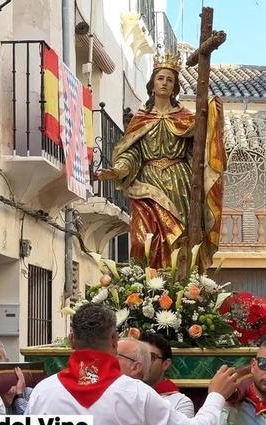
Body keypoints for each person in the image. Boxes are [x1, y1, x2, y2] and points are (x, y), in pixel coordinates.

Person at [16, 303, 239, 425]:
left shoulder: (44, 392)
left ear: (72, 340)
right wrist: (216, 397)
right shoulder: (137, 394)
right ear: (114, 340)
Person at [95, 50, 226, 269]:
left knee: (179, 242)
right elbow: (132, 153)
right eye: (160, 78)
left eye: (170, 80)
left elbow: (198, 152)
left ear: (175, 87)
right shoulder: (141, 118)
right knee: (140, 240)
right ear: (152, 84)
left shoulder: (186, 118)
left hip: (179, 185)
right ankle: (146, 286)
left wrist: (212, 119)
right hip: (146, 184)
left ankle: (177, 288)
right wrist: (117, 170)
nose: (164, 83)